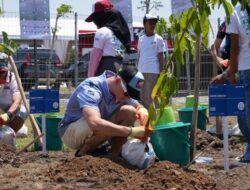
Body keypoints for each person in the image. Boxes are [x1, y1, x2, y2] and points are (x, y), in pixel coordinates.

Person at [58, 65, 149, 157]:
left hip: (93, 127)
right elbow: (94, 123)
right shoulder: (91, 88)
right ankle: (82, 155)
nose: (127, 98)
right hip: (70, 132)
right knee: (96, 124)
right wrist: (130, 131)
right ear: (117, 81)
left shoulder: (121, 89)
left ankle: (113, 155)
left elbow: (137, 106)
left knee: (129, 112)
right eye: (127, 94)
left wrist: (142, 110)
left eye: (130, 96)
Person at [225, 0, 250, 162]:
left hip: (246, 66)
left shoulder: (235, 11)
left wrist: (232, 73)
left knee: (244, 110)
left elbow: (234, 47)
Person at [86, 0, 131, 77]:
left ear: (101, 16)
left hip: (107, 71)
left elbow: (95, 58)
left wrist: (90, 77)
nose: (94, 22)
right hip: (121, 70)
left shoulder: (102, 32)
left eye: (95, 18)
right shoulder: (122, 33)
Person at [137, 13, 165, 109]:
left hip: (153, 71)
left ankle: (155, 119)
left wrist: (161, 72)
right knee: (142, 97)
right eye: (150, 23)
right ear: (144, 24)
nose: (153, 25)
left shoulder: (159, 39)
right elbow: (139, 55)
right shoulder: (141, 39)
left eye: (154, 23)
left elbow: (161, 56)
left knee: (151, 97)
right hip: (141, 71)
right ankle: (147, 119)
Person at [0, 53, 27, 146]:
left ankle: (10, 132)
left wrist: (7, 115)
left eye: (2, 72)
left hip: (10, 111)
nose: (1, 75)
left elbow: (17, 101)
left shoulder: (13, 78)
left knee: (23, 111)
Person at [210, 21, 231, 139]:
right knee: (218, 94)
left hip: (242, 61)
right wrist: (219, 60)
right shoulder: (225, 24)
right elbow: (214, 47)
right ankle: (219, 133)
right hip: (227, 59)